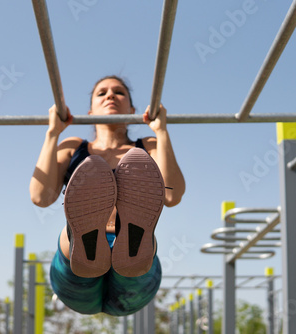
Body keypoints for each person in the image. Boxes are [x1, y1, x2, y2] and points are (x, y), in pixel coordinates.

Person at [30, 75, 185, 316]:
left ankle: (131, 239)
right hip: (78, 264)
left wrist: (161, 132)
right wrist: (53, 133)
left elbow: (172, 196)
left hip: (135, 265)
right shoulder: (73, 146)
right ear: (90, 111)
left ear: (133, 109)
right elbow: (41, 196)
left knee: (131, 264)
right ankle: (82, 239)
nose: (110, 95)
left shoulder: (148, 146)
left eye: (119, 92)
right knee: (73, 243)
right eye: (101, 93)